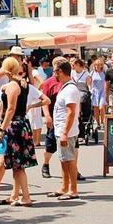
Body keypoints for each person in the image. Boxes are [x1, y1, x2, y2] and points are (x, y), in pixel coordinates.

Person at [0, 57, 37, 206]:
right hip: (22, 124)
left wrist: (2, 129)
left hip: (15, 126)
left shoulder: (12, 85)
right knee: (17, 165)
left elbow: (10, 109)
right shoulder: (22, 83)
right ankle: (15, 195)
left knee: (18, 166)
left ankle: (26, 197)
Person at [48, 57, 80, 200]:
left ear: (61, 71)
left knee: (69, 160)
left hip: (66, 131)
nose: (54, 75)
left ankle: (73, 189)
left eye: (55, 72)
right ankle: (64, 186)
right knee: (63, 159)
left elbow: (71, 112)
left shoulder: (70, 89)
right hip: (61, 129)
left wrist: (65, 133)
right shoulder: (66, 86)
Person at [41, 66, 63, 178]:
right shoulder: (48, 83)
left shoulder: (68, 82)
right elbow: (44, 101)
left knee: (72, 146)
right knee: (51, 145)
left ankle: (73, 169)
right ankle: (45, 164)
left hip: (66, 118)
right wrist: (47, 116)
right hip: (54, 118)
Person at [87, 58, 107, 130]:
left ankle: (103, 122)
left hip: (102, 92)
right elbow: (89, 82)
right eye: (96, 65)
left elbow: (107, 82)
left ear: (102, 65)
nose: (98, 66)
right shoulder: (92, 73)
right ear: (94, 65)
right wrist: (90, 89)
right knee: (95, 108)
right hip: (95, 92)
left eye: (99, 65)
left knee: (101, 108)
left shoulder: (105, 72)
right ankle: (98, 123)